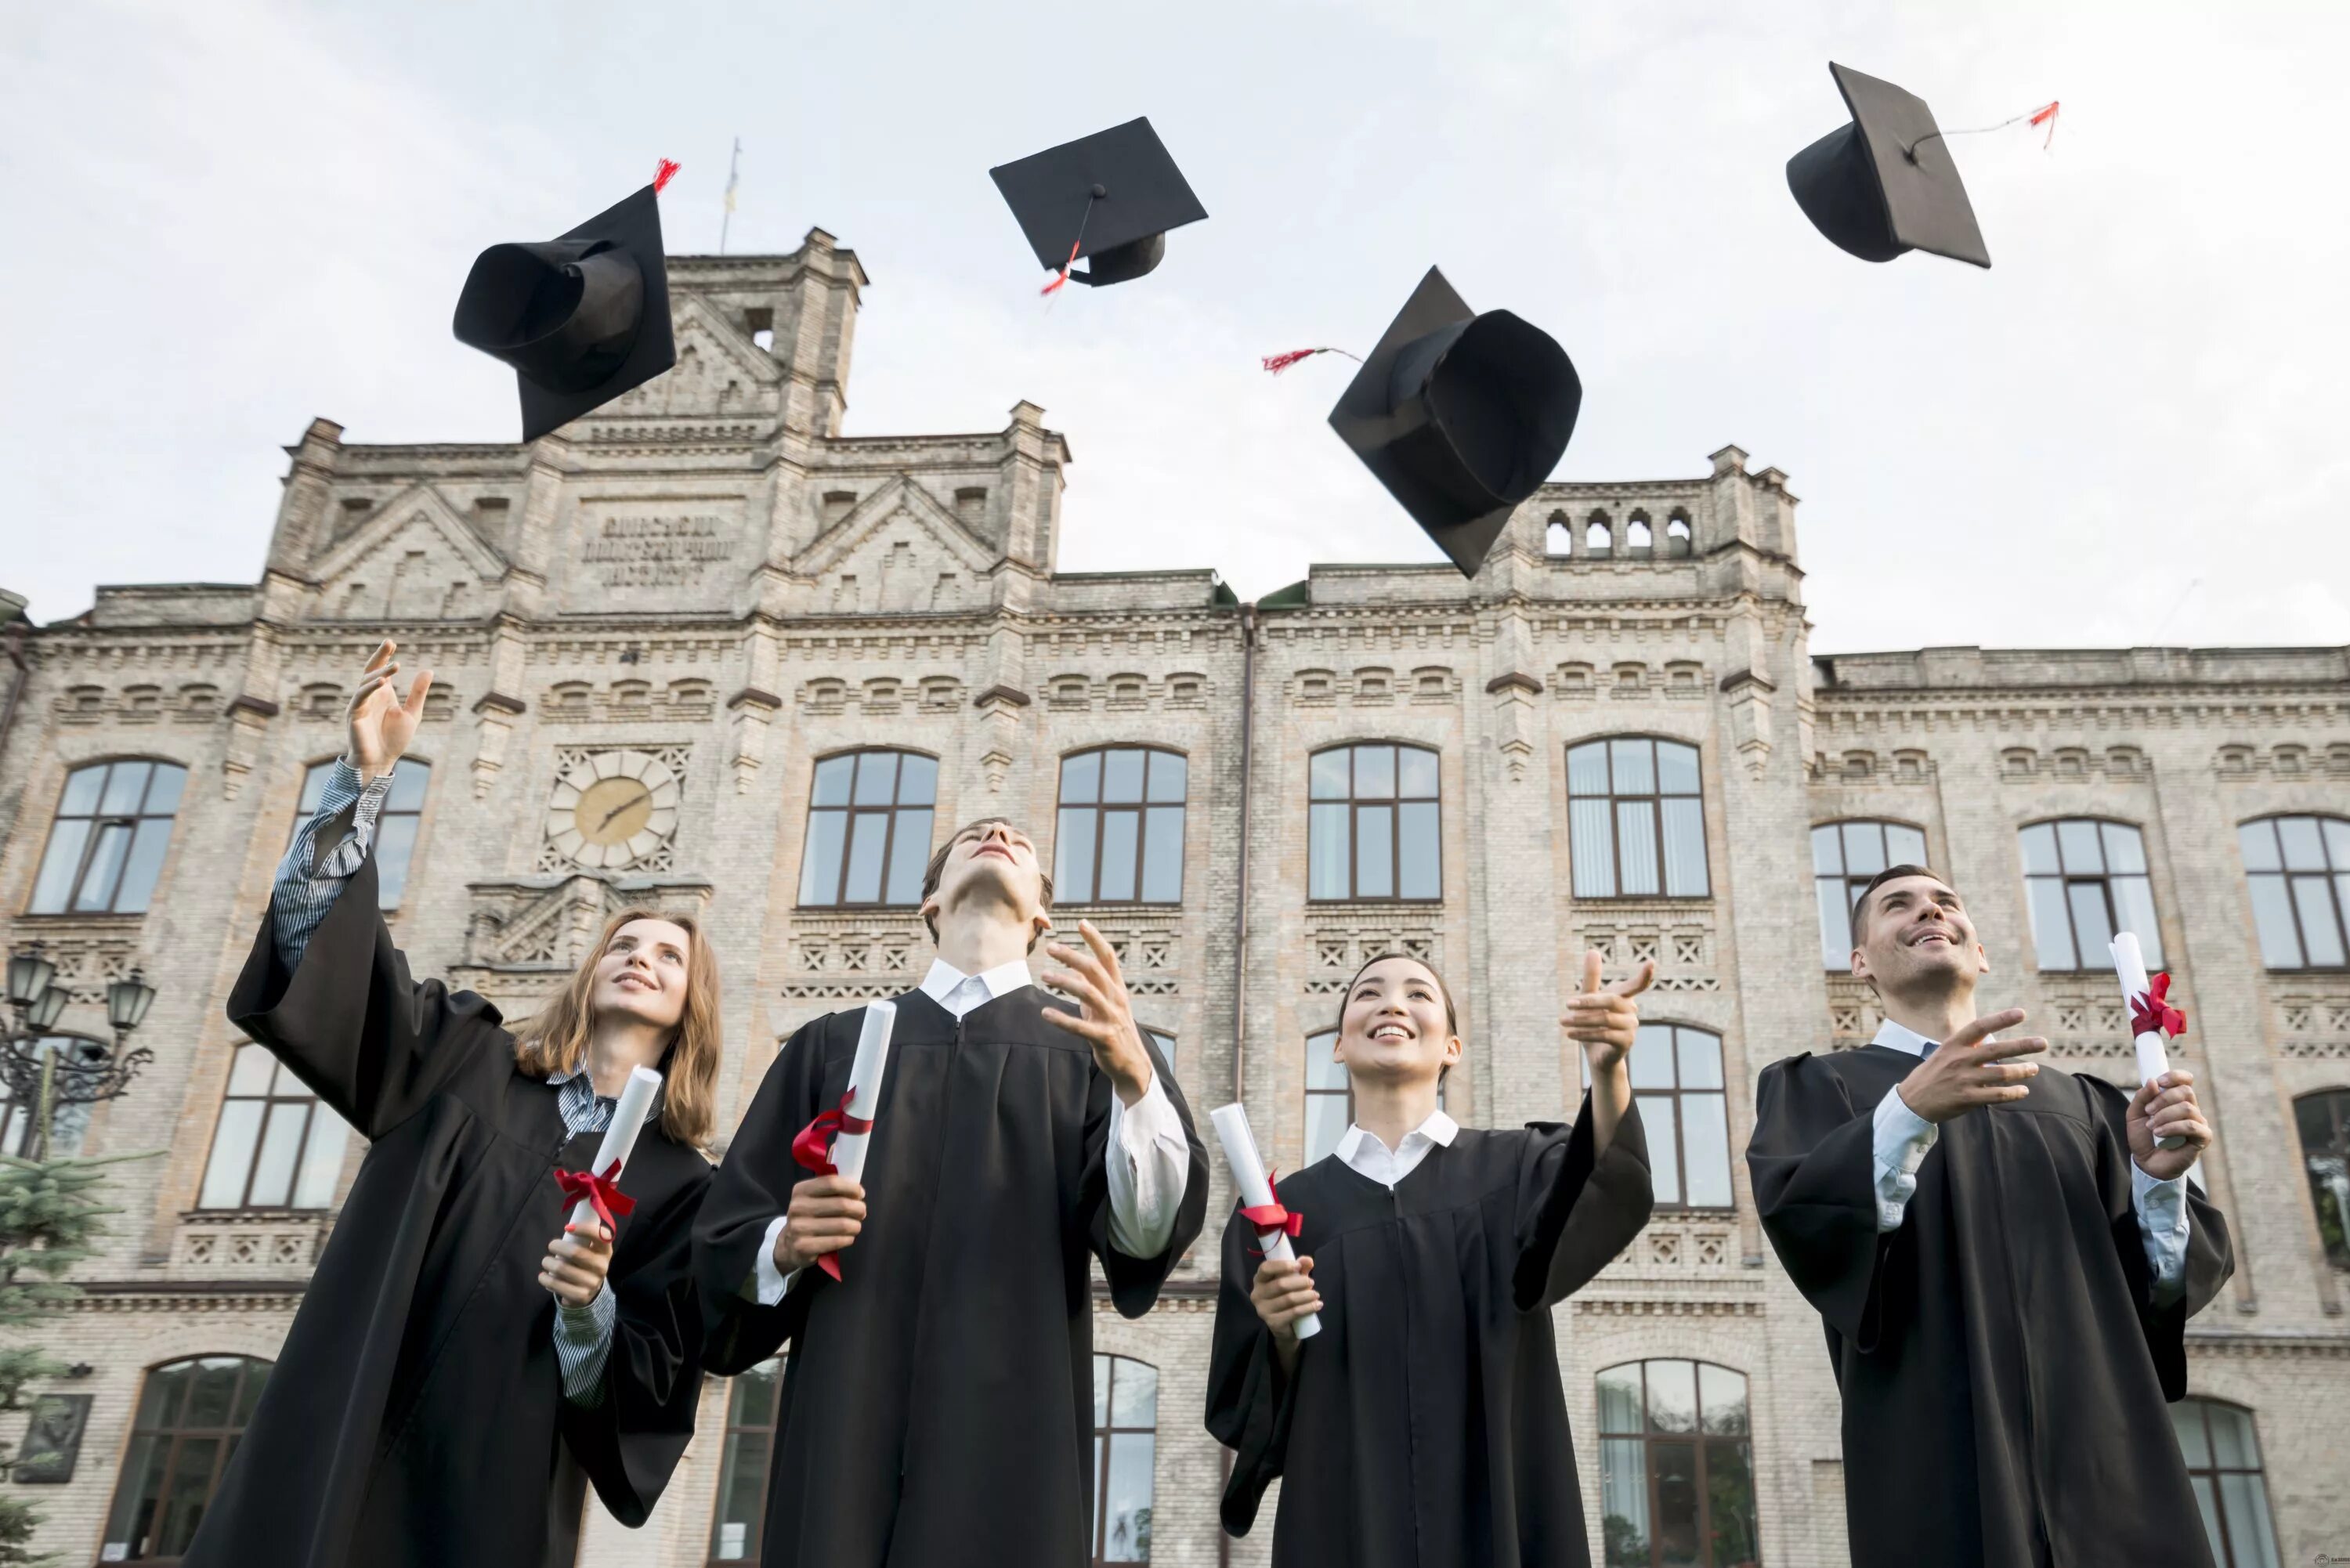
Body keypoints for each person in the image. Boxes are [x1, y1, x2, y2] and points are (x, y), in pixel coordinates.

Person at [190, 640, 721, 1568]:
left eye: (669, 956)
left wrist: (588, 1307)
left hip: (490, 1479)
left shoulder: (680, 1187)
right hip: (348, 1420)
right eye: (623, 943)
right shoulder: (461, 1059)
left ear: (690, 1008)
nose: (641, 956)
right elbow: (339, 970)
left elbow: (640, 1392)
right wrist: (364, 779)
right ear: (589, 971)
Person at [694, 815, 1209, 1567]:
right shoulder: (830, 1044)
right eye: (972, 836)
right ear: (929, 903)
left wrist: (1137, 1085)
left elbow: (1145, 1235)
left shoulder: (1097, 1049)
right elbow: (723, 1242)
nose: (1000, 831)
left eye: (1021, 843)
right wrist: (783, 1243)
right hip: (844, 1410)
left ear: (1041, 915)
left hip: (1013, 1422)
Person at [1747, 863, 2233, 1567]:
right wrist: (1908, 1111)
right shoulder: (1820, 1089)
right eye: (1898, 906)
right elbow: (1810, 1226)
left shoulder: (2086, 1106)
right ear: (1861, 964)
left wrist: (2158, 1184)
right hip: (1940, 1457)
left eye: (1946, 902)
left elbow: (2156, 1298)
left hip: (2104, 1463)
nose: (1929, 912)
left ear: (1980, 952)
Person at [1208, 949, 1657, 1567]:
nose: (1392, 1003)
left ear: (1452, 1048)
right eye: (1368, 994)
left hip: (1497, 1511)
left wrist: (1608, 1076)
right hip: (1346, 1522)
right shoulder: (1281, 1216)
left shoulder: (1518, 1170)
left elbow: (1607, 1191)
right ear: (1337, 1045)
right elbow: (1244, 1412)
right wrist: (1279, 1335)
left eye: (1418, 994)